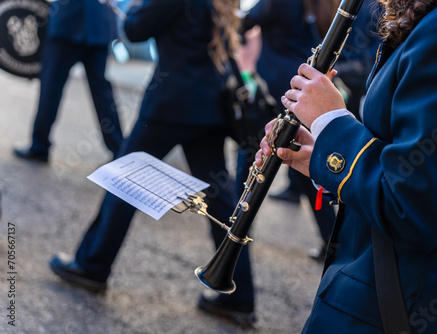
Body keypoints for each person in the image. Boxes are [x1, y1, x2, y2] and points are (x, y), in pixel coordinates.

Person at [257, 0, 437, 332]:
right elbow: (433, 167)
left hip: (401, 304)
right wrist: (323, 157)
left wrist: (332, 123)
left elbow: (413, 208)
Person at [48, 0, 256, 327]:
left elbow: (134, 29)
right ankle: (239, 295)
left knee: (124, 179)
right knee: (221, 199)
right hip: (209, 104)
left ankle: (92, 265)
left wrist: (132, 8)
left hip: (171, 103)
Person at [240, 0, 381, 262]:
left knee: (248, 174)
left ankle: (235, 258)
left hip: (281, 90)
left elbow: (246, 22)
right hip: (302, 88)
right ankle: (333, 243)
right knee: (304, 165)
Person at [13, 0, 123, 163]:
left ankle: (39, 146)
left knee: (51, 88)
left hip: (69, 23)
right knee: (101, 94)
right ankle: (119, 149)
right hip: (96, 23)